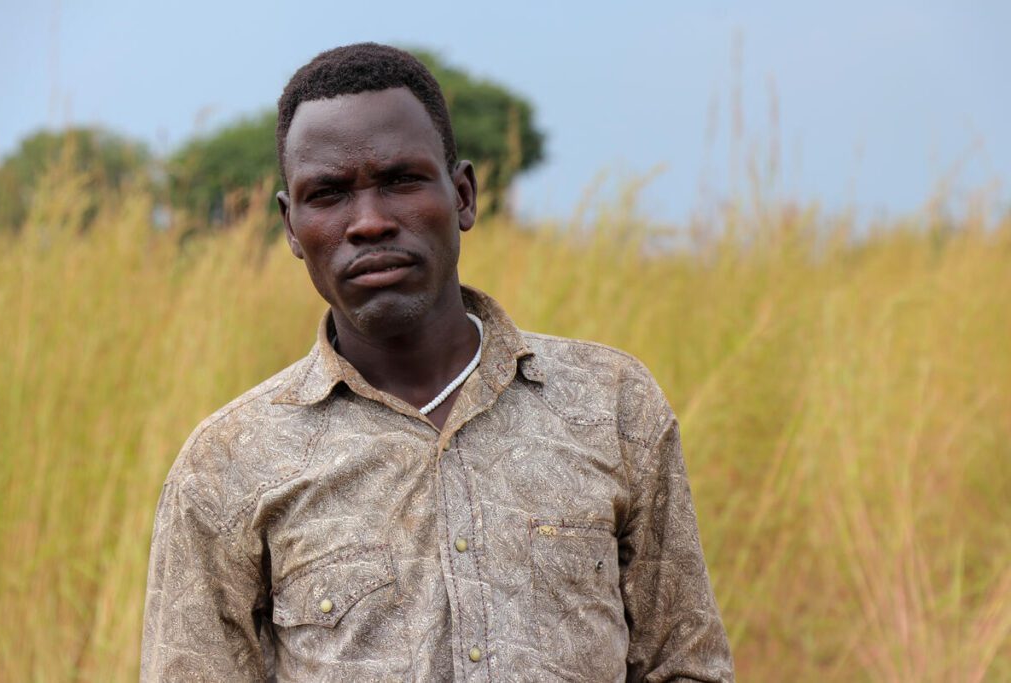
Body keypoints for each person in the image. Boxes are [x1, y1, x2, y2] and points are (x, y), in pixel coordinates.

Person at [141, 43, 733, 682]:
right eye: (329, 194)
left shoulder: (611, 404)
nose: (368, 222)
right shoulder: (228, 463)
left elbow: (686, 664)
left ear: (463, 196)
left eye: (400, 181)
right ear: (291, 226)